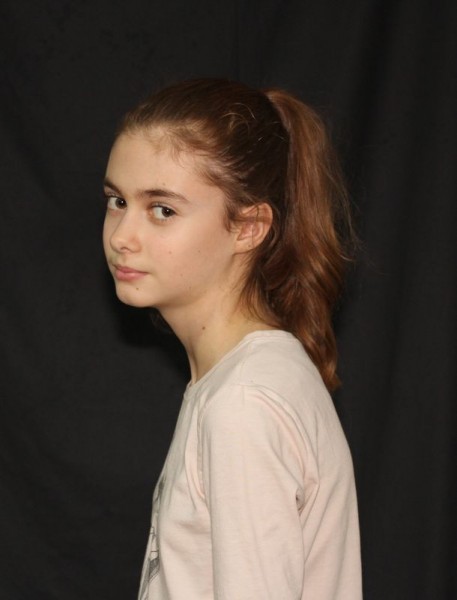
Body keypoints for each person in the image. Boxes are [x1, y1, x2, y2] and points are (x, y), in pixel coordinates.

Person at [102, 78, 362, 600]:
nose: (122, 236)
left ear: (248, 227)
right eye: (116, 200)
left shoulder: (243, 404)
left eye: (162, 209)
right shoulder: (244, 380)